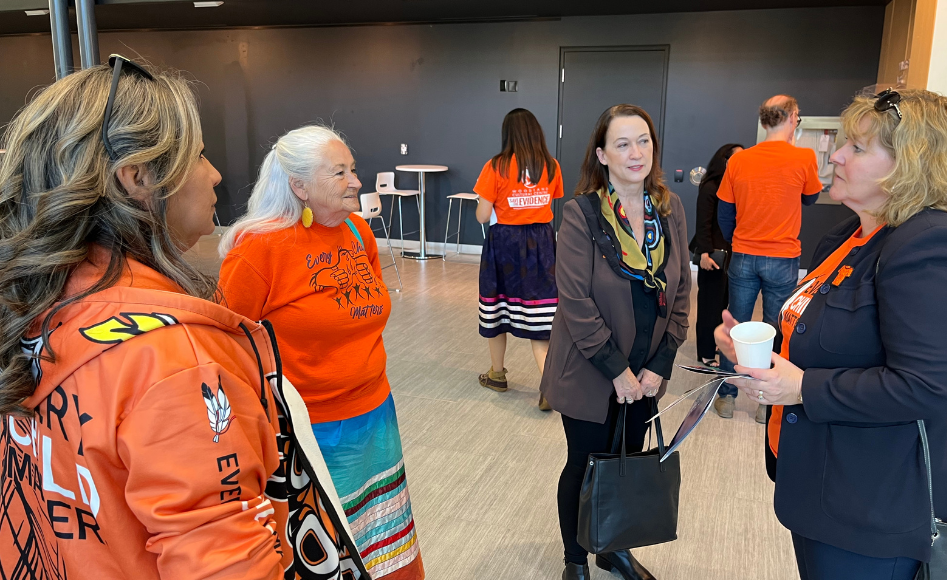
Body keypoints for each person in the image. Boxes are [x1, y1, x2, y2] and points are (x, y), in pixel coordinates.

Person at [0, 59, 366, 579]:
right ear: (139, 178)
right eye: (197, 154)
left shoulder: (33, 306)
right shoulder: (173, 359)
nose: (215, 173)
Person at [719, 89, 947, 580]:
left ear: (911, 164)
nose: (834, 155)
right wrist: (761, 345)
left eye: (857, 148)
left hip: (876, 508)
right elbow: (835, 335)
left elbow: (927, 385)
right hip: (824, 487)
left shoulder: (932, 246)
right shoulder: (845, 236)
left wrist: (801, 387)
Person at [218, 125, 425, 580]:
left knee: (381, 531)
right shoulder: (259, 248)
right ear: (300, 186)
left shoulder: (357, 231)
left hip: (375, 414)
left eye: (352, 169)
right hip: (309, 431)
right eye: (339, 172)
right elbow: (224, 346)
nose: (356, 181)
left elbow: (367, 312)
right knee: (328, 542)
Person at [540, 104, 690, 580]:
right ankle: (574, 559)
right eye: (622, 143)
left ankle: (613, 548)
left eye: (643, 140)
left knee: (626, 461)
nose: (636, 152)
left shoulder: (669, 208)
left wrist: (660, 364)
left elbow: (682, 287)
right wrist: (616, 370)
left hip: (647, 371)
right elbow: (575, 300)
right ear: (602, 155)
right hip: (589, 369)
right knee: (583, 464)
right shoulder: (581, 213)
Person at [715, 94, 823, 423]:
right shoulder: (804, 157)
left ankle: (726, 397)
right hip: (783, 257)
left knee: (735, 325)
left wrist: (737, 240)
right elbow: (812, 197)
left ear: (764, 122)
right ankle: (767, 403)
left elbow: (724, 213)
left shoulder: (739, 160)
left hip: (744, 254)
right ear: (792, 118)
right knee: (777, 330)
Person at [474, 108, 564, 411]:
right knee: (539, 314)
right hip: (541, 243)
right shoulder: (552, 166)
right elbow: (551, 202)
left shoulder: (495, 166)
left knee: (497, 306)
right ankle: (548, 383)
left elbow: (483, 215)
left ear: (508, 134)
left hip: (505, 244)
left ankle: (497, 374)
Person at [688, 143, 743, 374]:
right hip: (713, 255)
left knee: (723, 305)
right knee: (710, 306)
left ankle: (717, 345)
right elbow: (703, 222)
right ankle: (706, 352)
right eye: (736, 158)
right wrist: (703, 253)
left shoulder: (735, 186)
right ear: (724, 160)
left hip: (732, 256)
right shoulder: (710, 186)